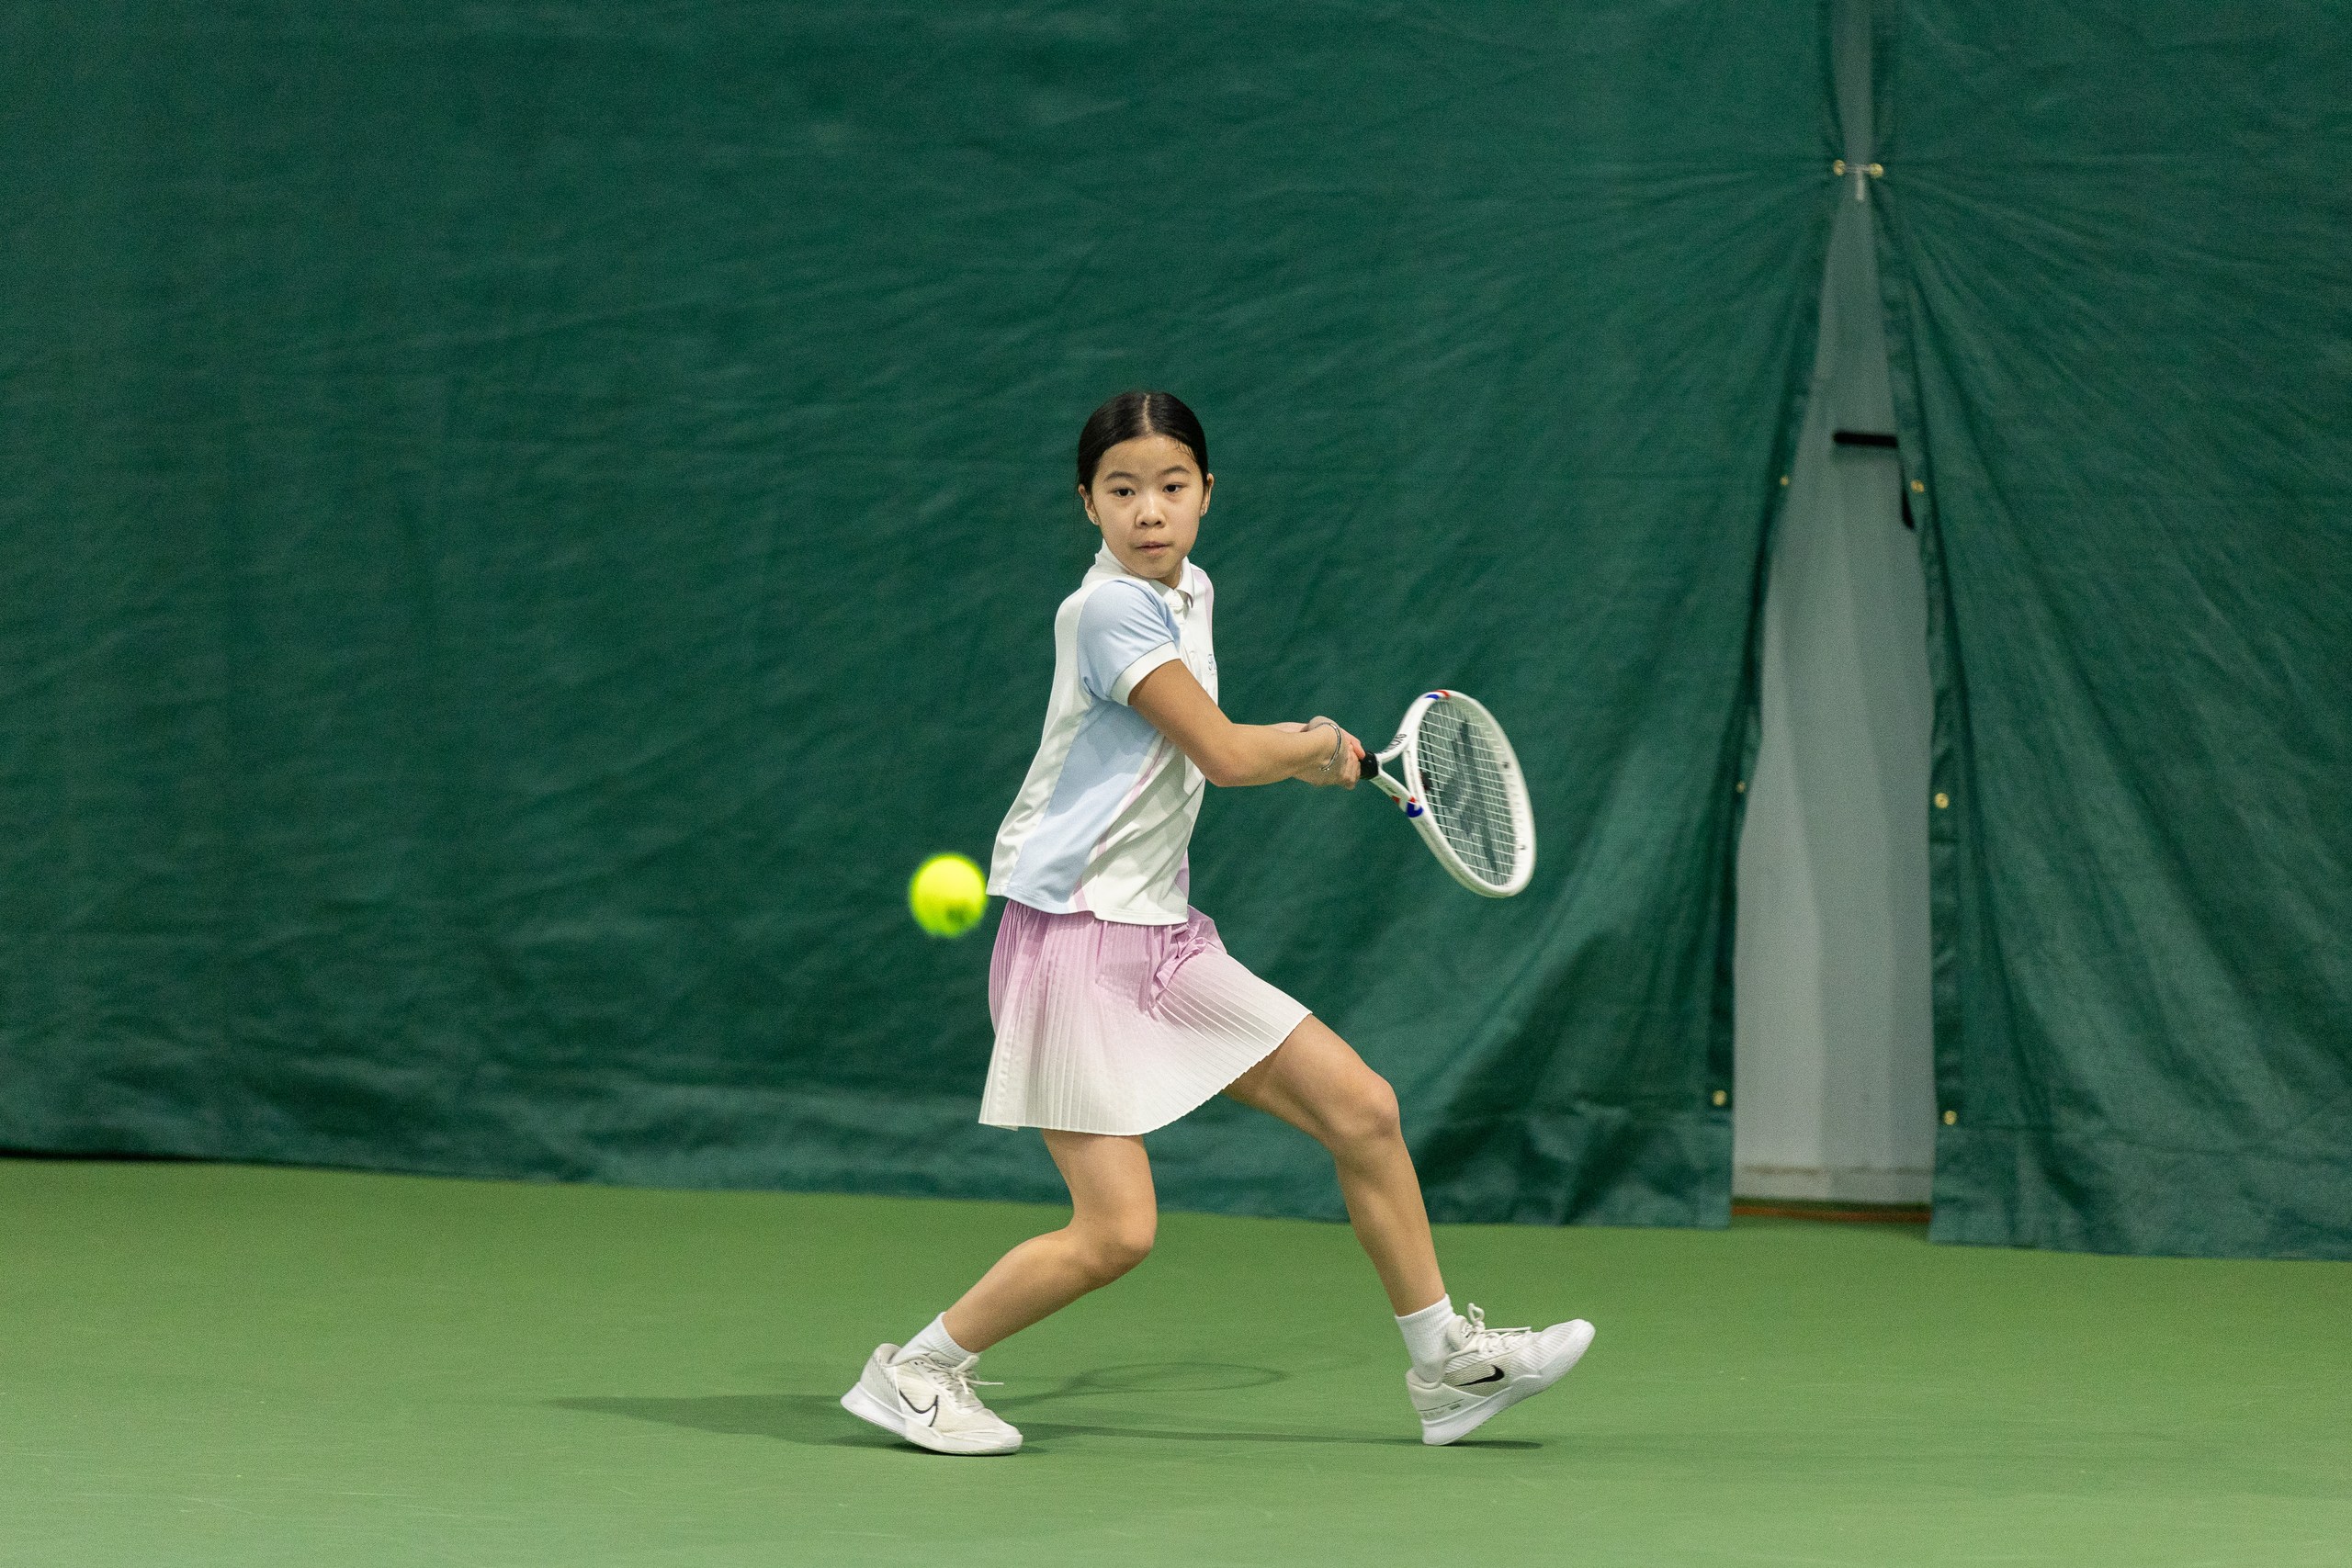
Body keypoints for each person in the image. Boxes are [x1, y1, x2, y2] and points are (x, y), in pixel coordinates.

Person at [841, 390, 1592, 1455]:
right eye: (1121, 491)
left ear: (1205, 494)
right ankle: (915, 1371)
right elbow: (1228, 755)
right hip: (1073, 943)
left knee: (1363, 1111)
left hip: (1162, 935)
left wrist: (1303, 752)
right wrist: (1311, 744)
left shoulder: (1188, 592)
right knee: (1117, 1233)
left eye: (1171, 486)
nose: (1148, 510)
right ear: (1087, 504)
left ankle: (1447, 1369)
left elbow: (1211, 750)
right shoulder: (1104, 611)